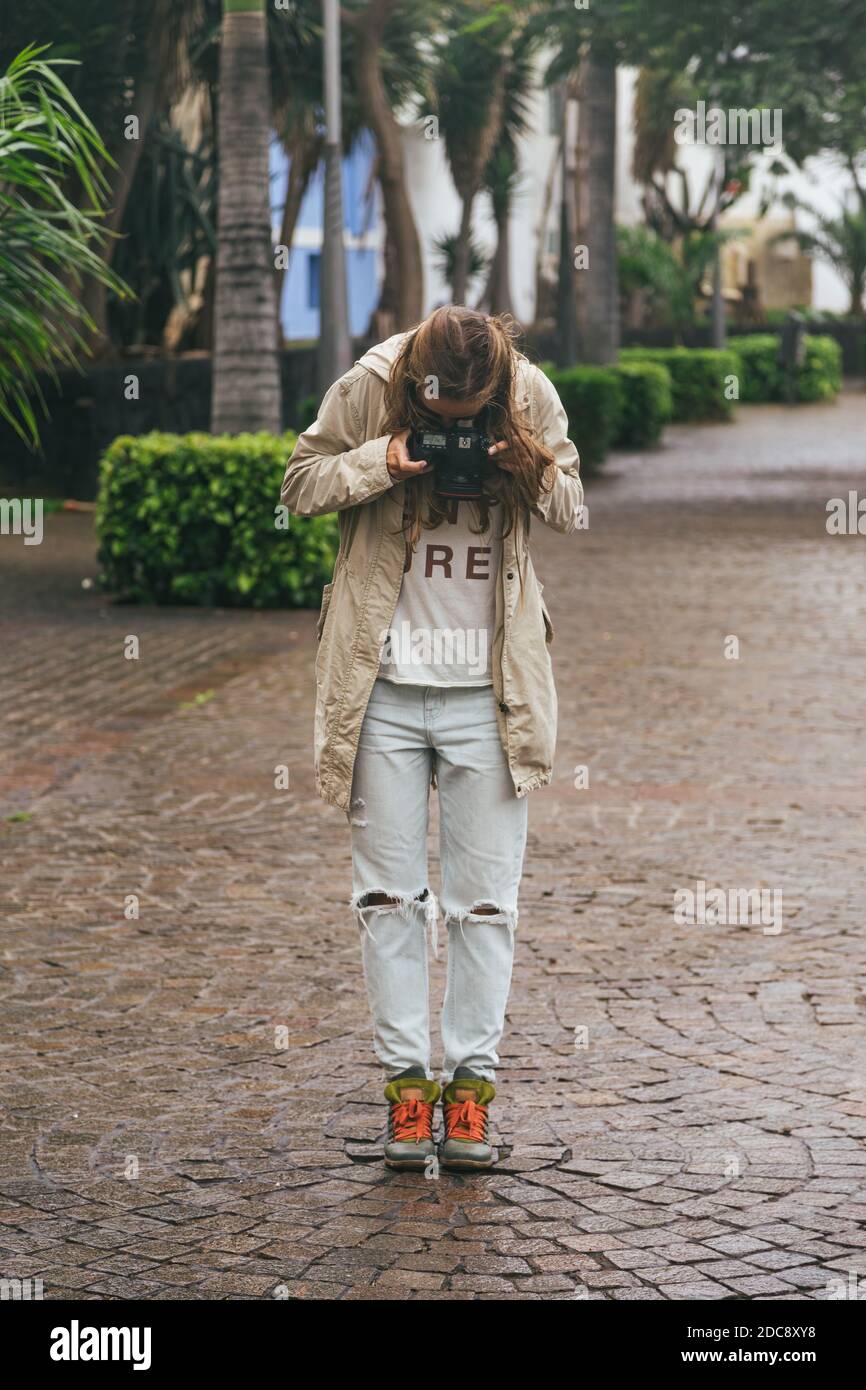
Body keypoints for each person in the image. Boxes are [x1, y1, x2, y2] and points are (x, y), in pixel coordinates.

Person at [280, 305, 582, 1171]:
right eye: (442, 420)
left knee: (485, 908)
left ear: (494, 385)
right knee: (387, 902)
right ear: (419, 382)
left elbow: (570, 504)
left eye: (468, 422)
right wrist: (382, 462)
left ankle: (472, 1095)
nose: (456, 433)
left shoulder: (527, 394)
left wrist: (525, 466)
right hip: (382, 690)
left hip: (490, 694)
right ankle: (408, 1092)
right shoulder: (371, 386)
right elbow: (299, 483)